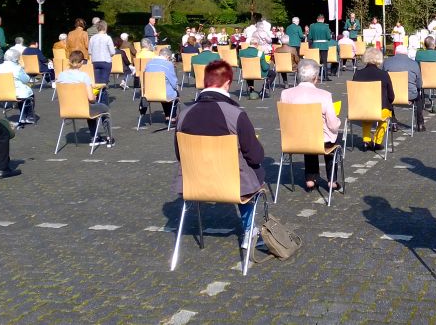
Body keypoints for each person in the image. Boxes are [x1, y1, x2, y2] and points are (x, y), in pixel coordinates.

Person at [176, 60, 265, 245]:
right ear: (227, 83)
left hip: (195, 183)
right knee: (254, 168)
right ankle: (249, 229)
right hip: (232, 184)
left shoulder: (183, 115)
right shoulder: (235, 114)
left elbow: (179, 155)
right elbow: (255, 156)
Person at [280, 58, 341, 190]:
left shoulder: (285, 94)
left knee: (308, 133)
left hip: (294, 139)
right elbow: (332, 125)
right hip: (317, 139)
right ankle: (332, 180)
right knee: (332, 135)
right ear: (315, 77)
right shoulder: (324, 95)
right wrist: (338, 122)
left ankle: (310, 178)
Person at [56, 51, 117, 147]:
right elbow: (91, 98)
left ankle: (95, 137)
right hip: (83, 108)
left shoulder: (60, 76)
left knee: (92, 108)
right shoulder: (83, 76)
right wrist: (94, 97)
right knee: (104, 108)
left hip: (66, 109)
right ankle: (109, 138)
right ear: (81, 63)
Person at [351, 47, 395, 150]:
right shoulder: (384, 74)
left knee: (367, 116)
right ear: (379, 59)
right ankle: (377, 141)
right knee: (385, 116)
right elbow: (391, 96)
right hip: (380, 109)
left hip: (360, 109)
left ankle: (366, 140)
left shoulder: (357, 74)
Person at [383, 44, 421, 129]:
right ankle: (420, 123)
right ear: (406, 53)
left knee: (386, 92)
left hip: (391, 96)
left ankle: (393, 121)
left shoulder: (387, 62)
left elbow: (383, 79)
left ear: (395, 53)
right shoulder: (414, 63)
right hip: (409, 96)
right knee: (419, 95)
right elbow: (419, 84)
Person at [0, 48, 36, 124]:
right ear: (16, 59)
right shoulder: (17, 68)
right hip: (15, 93)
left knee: (23, 92)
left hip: (0, 93)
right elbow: (26, 80)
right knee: (28, 93)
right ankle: (28, 116)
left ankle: (23, 116)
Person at [143, 46, 180, 120]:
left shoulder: (149, 63)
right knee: (173, 92)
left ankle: (167, 116)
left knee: (164, 89)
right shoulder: (168, 64)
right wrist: (177, 89)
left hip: (149, 93)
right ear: (167, 56)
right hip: (163, 93)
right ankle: (172, 117)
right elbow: (173, 82)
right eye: (169, 58)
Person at [89, 20, 116, 88]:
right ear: (105, 27)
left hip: (95, 61)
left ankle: (97, 96)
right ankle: (103, 97)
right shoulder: (107, 38)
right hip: (105, 61)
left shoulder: (92, 38)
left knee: (97, 82)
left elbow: (90, 51)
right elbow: (112, 52)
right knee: (104, 83)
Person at [307, 14, 333, 78]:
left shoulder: (312, 26)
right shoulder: (326, 26)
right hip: (324, 46)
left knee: (315, 61)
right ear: (323, 20)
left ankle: (314, 75)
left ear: (317, 20)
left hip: (315, 45)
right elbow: (329, 37)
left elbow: (310, 37)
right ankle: (325, 76)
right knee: (324, 61)